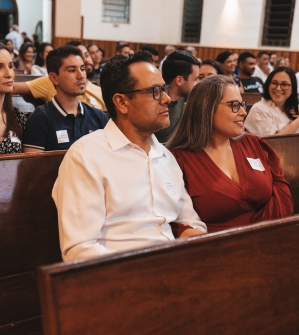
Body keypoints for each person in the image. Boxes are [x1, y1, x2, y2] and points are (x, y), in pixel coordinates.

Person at [53, 51, 207, 261]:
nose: (167, 99)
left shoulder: (165, 157)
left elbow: (191, 222)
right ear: (122, 102)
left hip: (173, 268)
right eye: (155, 91)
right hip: (121, 278)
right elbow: (80, 250)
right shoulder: (86, 157)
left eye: (164, 89)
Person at [166, 75, 294, 233]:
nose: (243, 112)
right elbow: (175, 221)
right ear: (207, 108)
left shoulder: (254, 144)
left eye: (242, 105)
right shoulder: (178, 160)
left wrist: (259, 233)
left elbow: (283, 193)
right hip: (217, 248)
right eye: (234, 105)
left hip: (271, 236)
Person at [0, 40, 107, 110]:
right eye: (72, 68)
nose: (86, 62)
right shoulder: (51, 83)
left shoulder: (99, 89)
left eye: (86, 56)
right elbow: (13, 87)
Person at [22, 45, 108, 152]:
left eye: (82, 69)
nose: (81, 75)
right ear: (54, 78)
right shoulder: (40, 119)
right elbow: (32, 166)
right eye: (72, 70)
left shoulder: (99, 117)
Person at [244, 67, 299, 136]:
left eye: (284, 84)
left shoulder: (293, 107)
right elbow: (273, 142)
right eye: (274, 83)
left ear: (293, 89)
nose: (278, 88)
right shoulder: (259, 109)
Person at [155, 50, 200, 143]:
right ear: (179, 80)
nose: (198, 83)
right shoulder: (156, 107)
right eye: (195, 79)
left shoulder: (183, 98)